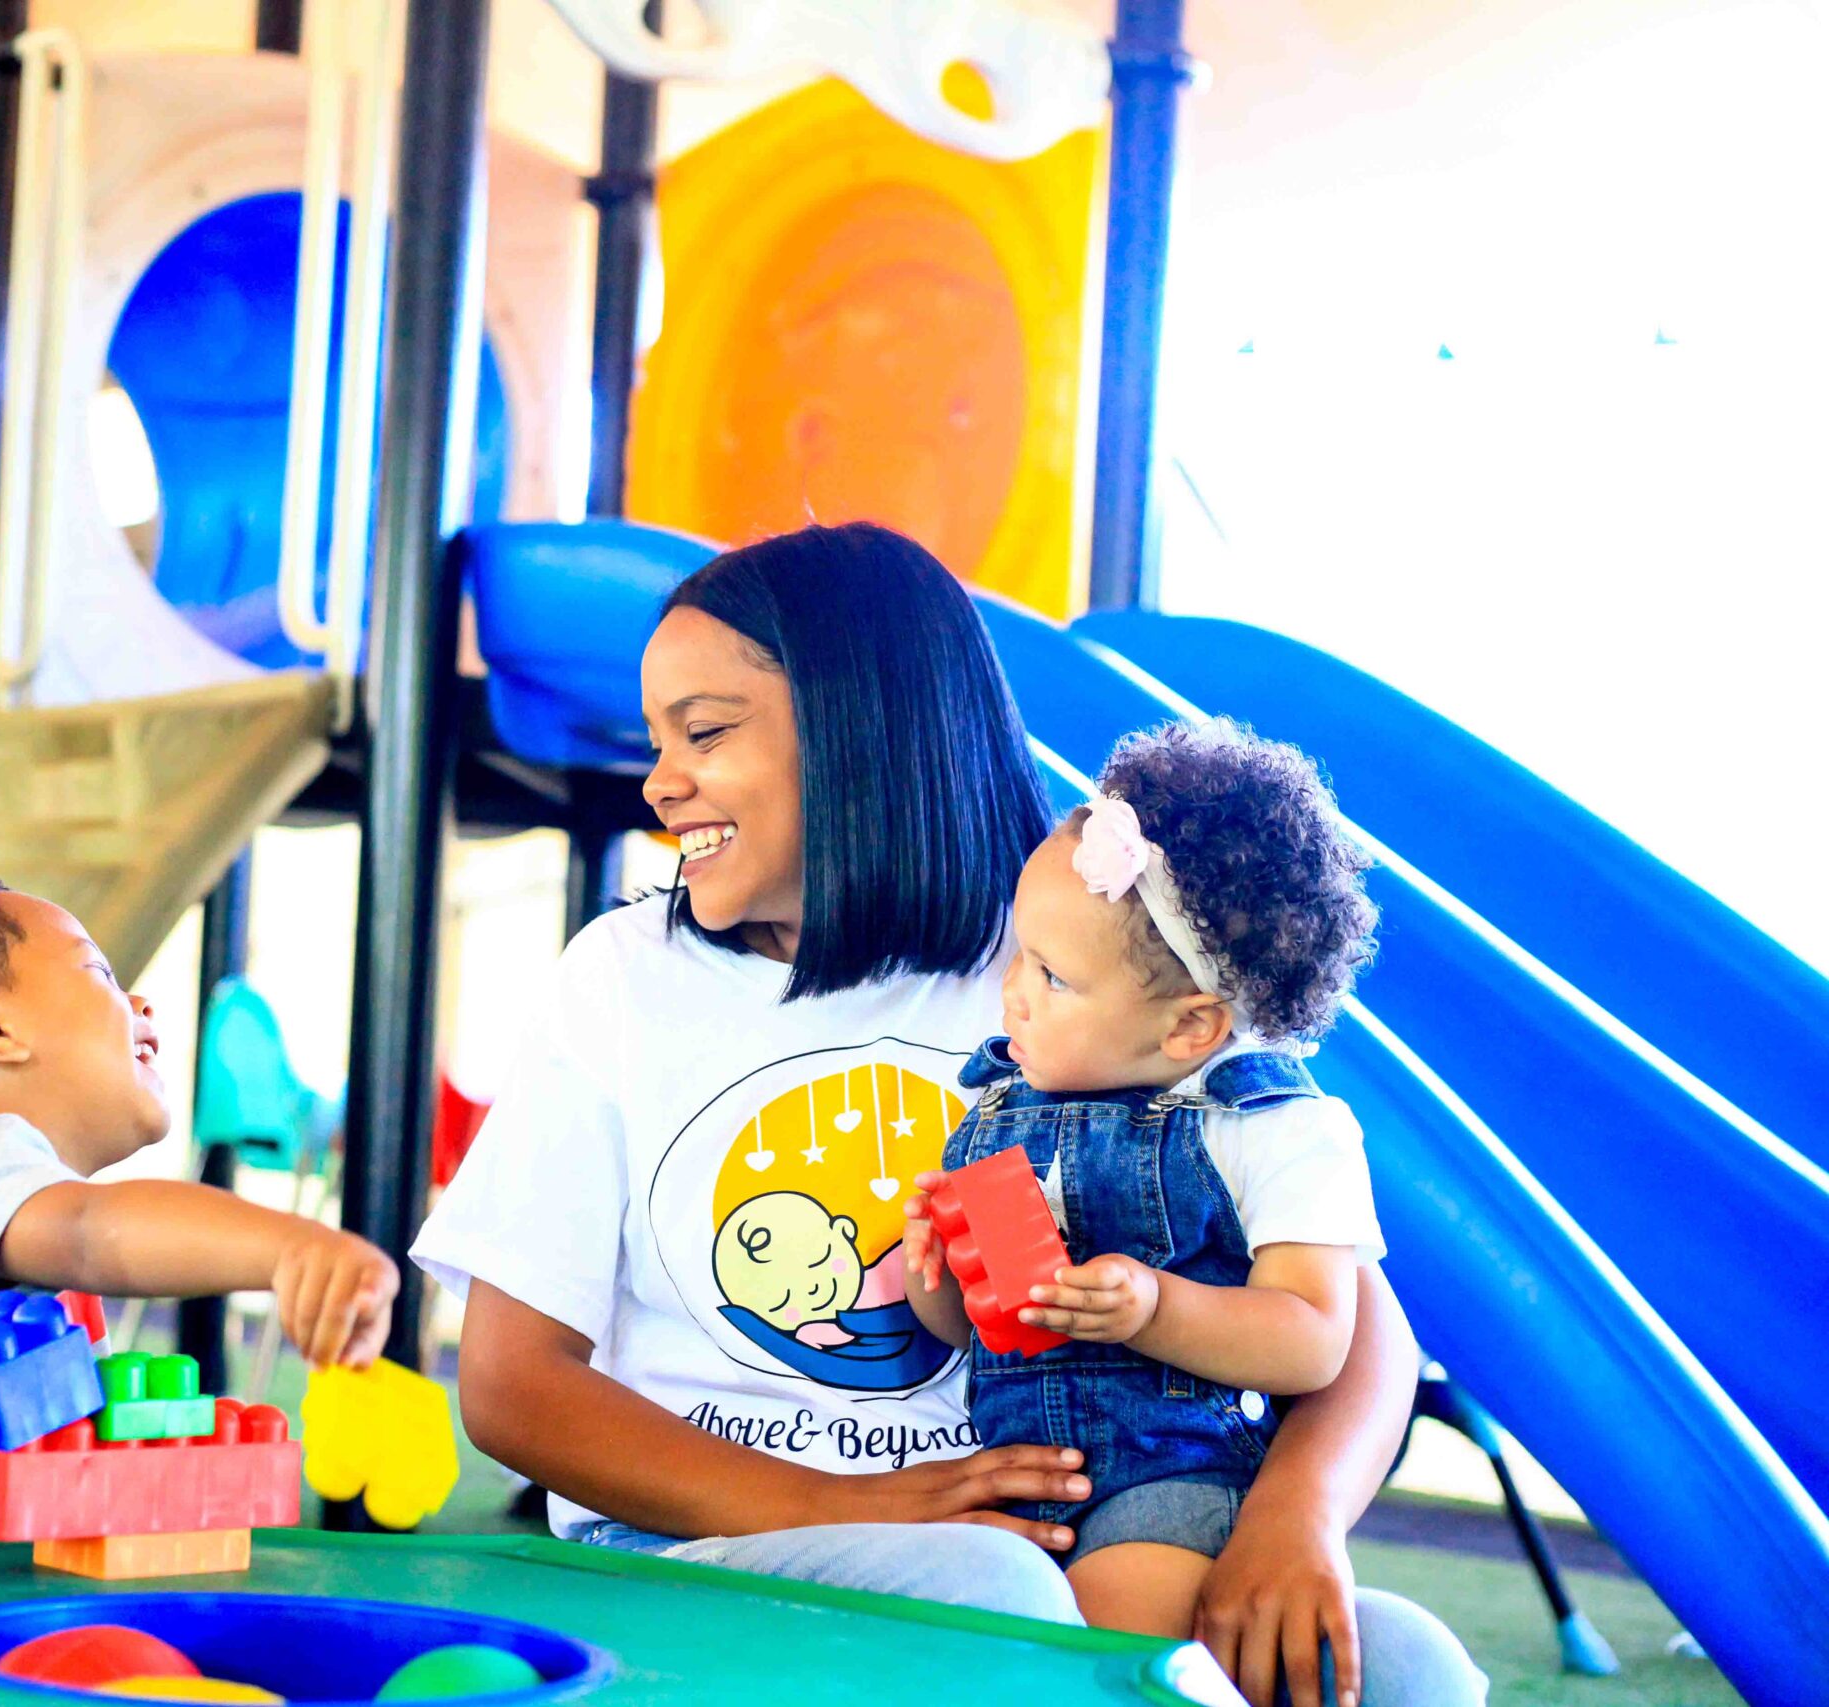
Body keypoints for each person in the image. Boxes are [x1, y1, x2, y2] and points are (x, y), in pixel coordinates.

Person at [411, 523, 1485, 1707]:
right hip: (706, 1560)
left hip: (1076, 1544)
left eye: (705, 733)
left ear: (863, 734)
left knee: (1401, 1669)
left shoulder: (1078, 959)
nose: (659, 779)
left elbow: (1352, 1318)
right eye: (657, 738)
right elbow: (515, 1388)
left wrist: (1294, 1520)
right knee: (993, 1600)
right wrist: (845, 1507)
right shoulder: (623, 979)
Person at [901, 720, 1384, 1642]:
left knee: (1109, 1648)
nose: (1012, 995)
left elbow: (1314, 1337)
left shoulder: (1270, 1125)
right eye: (1019, 958)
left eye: (1052, 976)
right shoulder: (1004, 1102)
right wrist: (937, 1269)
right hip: (1016, 1479)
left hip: (1175, 1483)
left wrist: (1152, 1308)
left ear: (1191, 1028)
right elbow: (964, 1331)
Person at [0, 867, 396, 1530]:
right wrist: (289, 1246)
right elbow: (93, 1231)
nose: (143, 1002)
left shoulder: (2, 1206)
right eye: (100, 974)